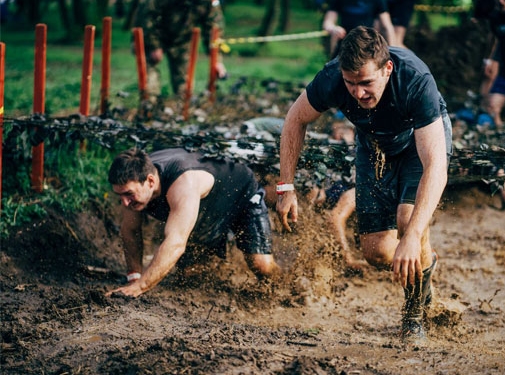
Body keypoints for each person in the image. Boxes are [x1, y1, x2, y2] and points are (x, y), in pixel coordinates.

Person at [276, 26, 452, 341]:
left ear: (387, 69)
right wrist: (285, 186)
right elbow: (295, 119)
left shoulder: (415, 81)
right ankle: (428, 264)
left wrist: (410, 236)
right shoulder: (331, 78)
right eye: (351, 84)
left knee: (407, 222)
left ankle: (413, 318)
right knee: (376, 251)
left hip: (418, 142)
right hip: (373, 144)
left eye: (367, 83)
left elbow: (436, 165)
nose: (358, 93)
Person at [105, 148, 280, 298]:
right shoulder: (136, 179)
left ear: (151, 181)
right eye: (119, 196)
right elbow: (130, 231)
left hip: (240, 194)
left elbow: (175, 244)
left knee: (261, 265)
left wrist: (140, 287)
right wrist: (134, 278)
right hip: (205, 209)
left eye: (129, 194)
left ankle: (289, 287)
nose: (125, 203)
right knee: (191, 275)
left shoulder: (183, 184)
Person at [134, 0, 228, 102]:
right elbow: (147, 17)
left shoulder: (208, 2)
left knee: (184, 86)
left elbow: (213, 28)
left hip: (182, 40)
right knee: (149, 83)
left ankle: (181, 110)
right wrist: (154, 45)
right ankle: (149, 109)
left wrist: (217, 60)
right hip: (152, 35)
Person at [322, 0, 396, 58]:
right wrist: (333, 28)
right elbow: (328, 22)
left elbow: (387, 27)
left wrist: (393, 51)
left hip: (368, 45)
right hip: (345, 45)